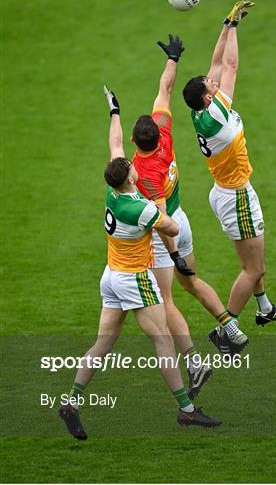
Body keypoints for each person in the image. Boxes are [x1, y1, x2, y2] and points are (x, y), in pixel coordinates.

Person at [58, 90, 221, 440]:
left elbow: (116, 144)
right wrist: (159, 209)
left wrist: (114, 110)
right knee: (162, 341)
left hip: (110, 277)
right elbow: (172, 227)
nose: (133, 163)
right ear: (130, 179)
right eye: (132, 168)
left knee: (102, 344)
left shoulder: (112, 192)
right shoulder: (139, 208)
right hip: (134, 279)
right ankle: (187, 410)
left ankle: (72, 401)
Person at [128, 34, 248, 362]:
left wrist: (174, 254)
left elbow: (161, 218)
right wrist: (173, 59)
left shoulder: (146, 174)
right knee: (192, 283)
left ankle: (194, 362)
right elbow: (165, 90)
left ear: (133, 141)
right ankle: (230, 326)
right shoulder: (164, 133)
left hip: (165, 230)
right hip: (183, 220)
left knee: (166, 299)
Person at [182, 0, 276, 351]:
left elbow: (216, 63)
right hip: (236, 195)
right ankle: (225, 329)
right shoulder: (216, 115)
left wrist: (227, 24)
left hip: (228, 190)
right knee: (254, 269)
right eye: (208, 84)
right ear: (207, 96)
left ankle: (264, 308)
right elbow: (229, 64)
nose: (212, 80)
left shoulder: (203, 110)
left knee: (253, 261)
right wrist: (236, 28)